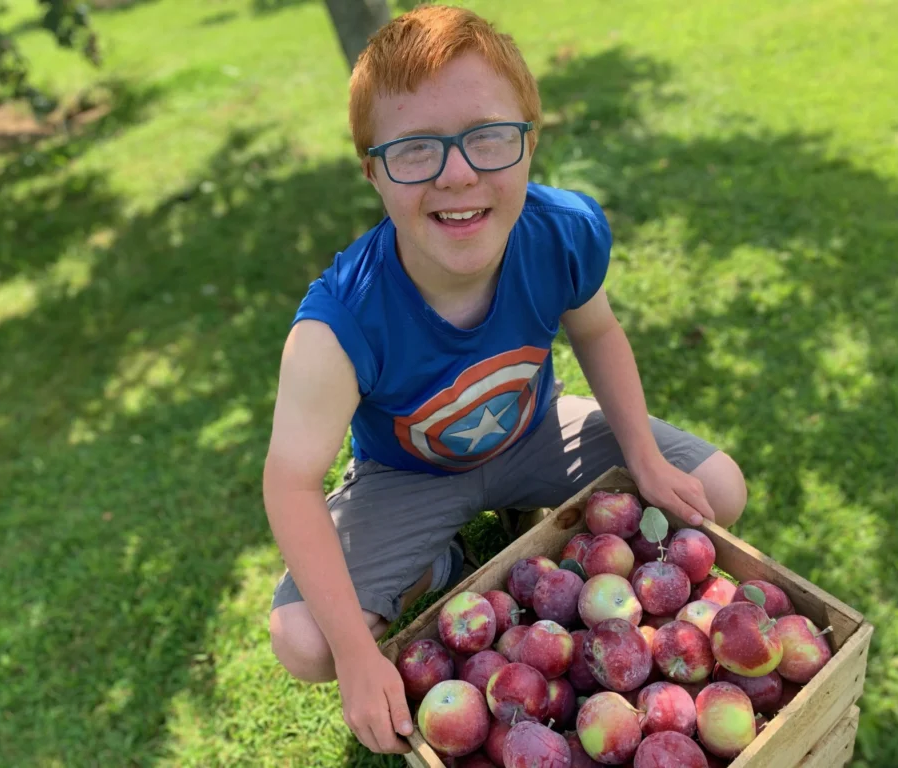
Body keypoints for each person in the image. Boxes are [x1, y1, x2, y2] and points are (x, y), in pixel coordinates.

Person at [263, 4, 747, 756]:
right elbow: (289, 482)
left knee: (720, 492)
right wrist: (359, 657)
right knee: (305, 642)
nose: (458, 174)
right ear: (372, 171)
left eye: (488, 137)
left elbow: (598, 331)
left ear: (529, 143)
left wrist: (646, 461)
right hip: (409, 475)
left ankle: (532, 516)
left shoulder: (563, 232)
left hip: (538, 432)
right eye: (415, 151)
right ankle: (441, 562)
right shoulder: (338, 322)